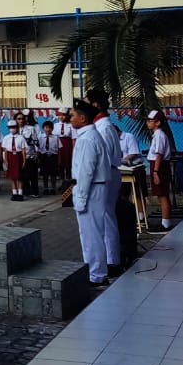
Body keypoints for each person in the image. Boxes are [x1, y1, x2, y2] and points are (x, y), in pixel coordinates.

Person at [68, 101, 110, 288]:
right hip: (95, 187)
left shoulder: (87, 138)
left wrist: (81, 198)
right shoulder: (91, 135)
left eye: (72, 115)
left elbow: (86, 171)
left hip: (91, 188)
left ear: (82, 118)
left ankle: (96, 274)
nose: (70, 118)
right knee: (92, 233)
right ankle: (96, 271)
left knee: (91, 235)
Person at [86, 89, 125, 278]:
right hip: (104, 174)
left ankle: (112, 262)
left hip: (105, 175)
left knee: (106, 220)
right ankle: (109, 260)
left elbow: (103, 157)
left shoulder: (104, 127)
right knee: (104, 219)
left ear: (96, 105)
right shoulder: (100, 126)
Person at [145, 110, 173, 233]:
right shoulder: (156, 134)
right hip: (157, 165)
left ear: (158, 123)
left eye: (150, 121)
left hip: (159, 166)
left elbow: (159, 154)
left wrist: (156, 171)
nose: (147, 123)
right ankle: (164, 221)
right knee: (161, 194)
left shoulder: (159, 135)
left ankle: (166, 223)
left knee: (163, 195)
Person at [2, 120, 26, 202]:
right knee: (12, 177)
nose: (12, 129)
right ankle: (14, 193)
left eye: (14, 127)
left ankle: (20, 193)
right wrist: (5, 161)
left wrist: (24, 161)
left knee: (19, 176)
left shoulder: (21, 137)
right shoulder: (6, 138)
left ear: (17, 128)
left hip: (18, 157)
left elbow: (23, 150)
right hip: (10, 156)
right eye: (10, 128)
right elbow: (5, 150)